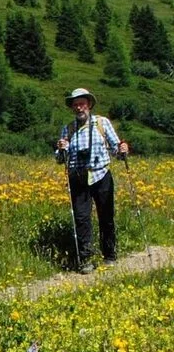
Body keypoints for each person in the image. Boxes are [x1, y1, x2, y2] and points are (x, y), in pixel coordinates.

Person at [56, 87, 129, 273]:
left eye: (81, 104)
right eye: (75, 105)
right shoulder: (68, 129)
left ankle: (109, 255)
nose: (79, 108)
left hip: (101, 174)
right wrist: (61, 149)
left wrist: (122, 151)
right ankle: (86, 259)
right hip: (78, 178)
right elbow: (59, 159)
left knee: (106, 216)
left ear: (89, 105)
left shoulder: (102, 123)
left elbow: (115, 148)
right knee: (81, 219)